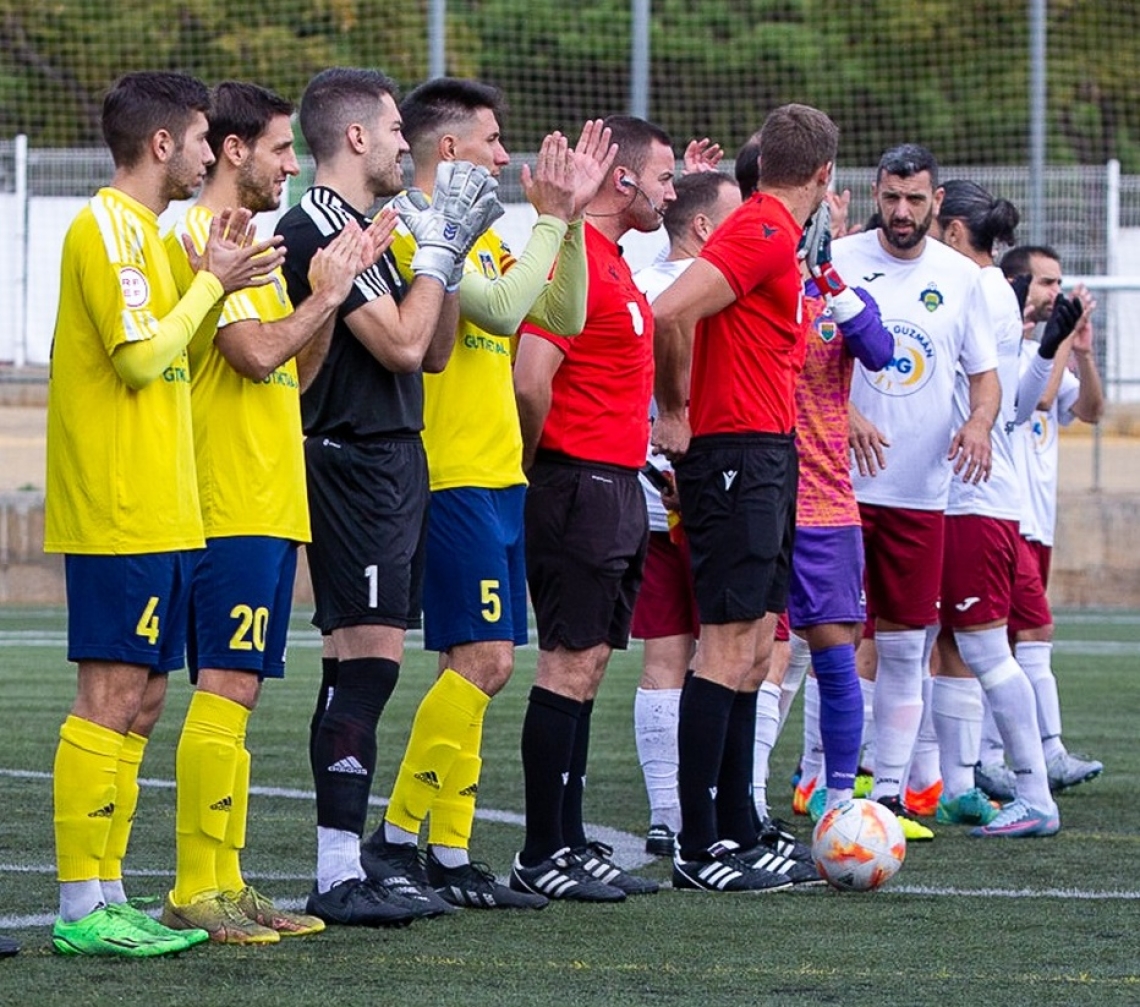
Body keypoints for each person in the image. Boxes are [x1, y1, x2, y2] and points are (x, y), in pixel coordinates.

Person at [359, 77, 615, 910]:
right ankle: (396, 838)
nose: (506, 156)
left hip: (500, 473)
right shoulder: (417, 230)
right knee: (486, 661)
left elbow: (563, 314)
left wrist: (567, 219)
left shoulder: (494, 233)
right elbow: (503, 313)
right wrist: (548, 215)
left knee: (480, 668)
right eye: (492, 140)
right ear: (448, 148)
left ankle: (452, 849)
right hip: (451, 473)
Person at [45, 70, 284, 957]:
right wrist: (211, 286)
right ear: (161, 144)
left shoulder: (148, 236)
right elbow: (144, 361)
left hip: (165, 507)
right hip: (117, 501)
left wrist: (210, 281)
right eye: (194, 139)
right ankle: (79, 906)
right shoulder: (102, 228)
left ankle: (108, 890)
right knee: (108, 695)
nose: (202, 153)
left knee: (143, 700)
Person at [275, 67, 502, 926]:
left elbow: (435, 349)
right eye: (395, 132)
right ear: (358, 138)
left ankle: (343, 867)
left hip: (393, 456)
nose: (410, 145)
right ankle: (337, 871)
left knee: (360, 666)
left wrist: (451, 245)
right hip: (356, 458)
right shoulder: (316, 227)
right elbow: (404, 346)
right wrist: (439, 252)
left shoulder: (366, 225)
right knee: (366, 665)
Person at [160, 81, 379, 943]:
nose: (294, 165)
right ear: (234, 150)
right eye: (283, 149)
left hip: (267, 493)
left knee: (240, 691)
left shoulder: (251, 249)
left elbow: (296, 374)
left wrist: (325, 292)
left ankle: (227, 879)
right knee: (224, 686)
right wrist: (325, 298)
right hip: (225, 499)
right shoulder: (194, 240)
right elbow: (253, 356)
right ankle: (193, 887)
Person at [651, 103, 838, 892]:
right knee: (727, 645)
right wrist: (676, 408)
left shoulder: (778, 236)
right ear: (826, 176)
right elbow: (668, 312)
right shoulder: (761, 230)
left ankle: (734, 825)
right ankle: (700, 845)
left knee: (758, 645)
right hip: (732, 452)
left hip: (765, 449)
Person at [510, 114, 677, 903]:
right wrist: (539, 461)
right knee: (566, 662)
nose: (672, 193)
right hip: (576, 483)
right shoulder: (573, 259)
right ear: (624, 177)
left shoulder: (614, 261)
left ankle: (571, 841)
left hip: (617, 483)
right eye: (664, 177)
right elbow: (529, 375)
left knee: (592, 665)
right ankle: (543, 850)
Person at [833, 145, 1000, 843]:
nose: (902, 213)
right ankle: (828, 785)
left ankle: (893, 794)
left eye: (917, 200)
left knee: (907, 646)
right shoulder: (840, 260)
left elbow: (985, 376)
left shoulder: (962, 278)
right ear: (876, 192)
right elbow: (801, 361)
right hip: (836, 487)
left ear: (937, 201)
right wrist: (843, 415)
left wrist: (980, 424)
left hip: (921, 492)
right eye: (892, 198)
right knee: (829, 640)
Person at [925, 181, 1084, 837]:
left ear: (956, 229)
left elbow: (1008, 405)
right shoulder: (989, 289)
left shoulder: (974, 288)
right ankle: (957, 783)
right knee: (949, 647)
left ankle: (1034, 792)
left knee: (987, 648)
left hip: (972, 500)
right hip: (960, 497)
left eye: (933, 219)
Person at [630, 171, 742, 857]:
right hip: (705, 489)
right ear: (704, 228)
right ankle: (732, 809)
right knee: (741, 652)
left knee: (664, 657)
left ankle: (668, 812)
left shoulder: (641, 280)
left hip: (647, 487)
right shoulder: (708, 292)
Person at [990, 245, 1104, 796]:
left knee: (1004, 643)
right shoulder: (1013, 353)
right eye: (1046, 284)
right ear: (1017, 285)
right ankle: (1043, 753)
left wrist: (1081, 350)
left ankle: (995, 757)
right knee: (1028, 633)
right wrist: (1057, 342)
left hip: (1039, 524)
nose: (1056, 295)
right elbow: (1039, 399)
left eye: (1060, 284)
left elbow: (1091, 410)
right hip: (1004, 520)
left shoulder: (1045, 352)